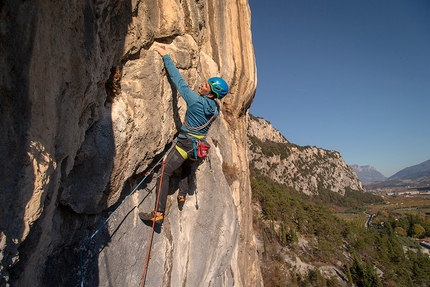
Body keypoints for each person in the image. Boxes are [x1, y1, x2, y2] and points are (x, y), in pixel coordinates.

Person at [140, 46, 229, 224]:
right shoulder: (216, 110)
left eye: (205, 85)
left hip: (185, 144)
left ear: (210, 93)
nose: (201, 85)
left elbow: (178, 80)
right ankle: (182, 193)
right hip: (197, 147)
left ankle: (158, 212)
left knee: (164, 173)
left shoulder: (195, 100)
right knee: (187, 166)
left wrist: (165, 55)